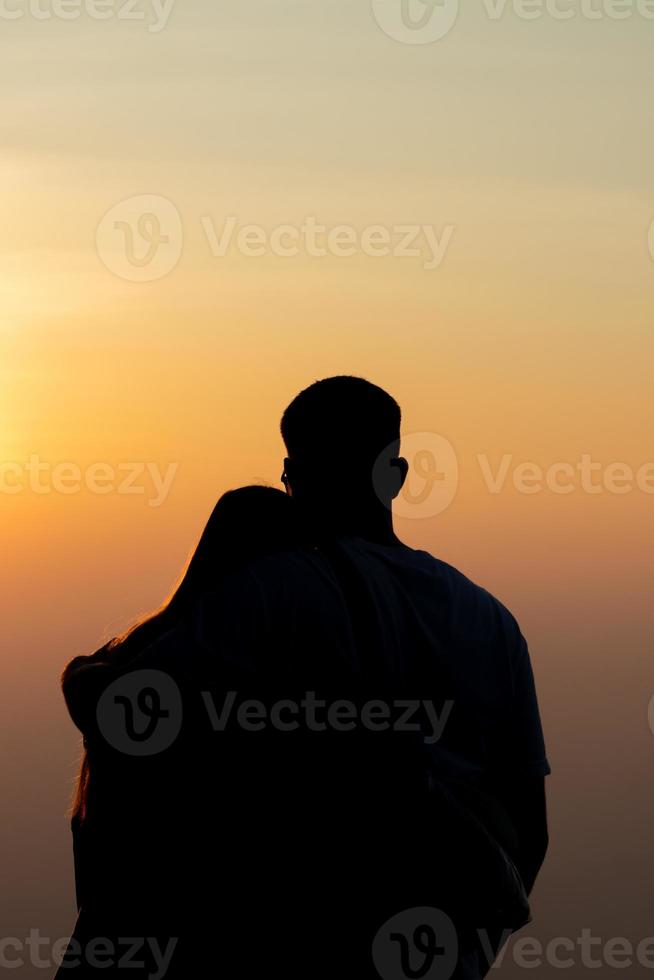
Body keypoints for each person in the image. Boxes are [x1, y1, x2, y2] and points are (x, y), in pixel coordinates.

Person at [59, 377, 549, 979]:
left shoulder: (272, 591)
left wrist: (81, 673)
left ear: (293, 475)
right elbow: (532, 829)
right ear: (395, 475)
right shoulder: (492, 619)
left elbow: (126, 713)